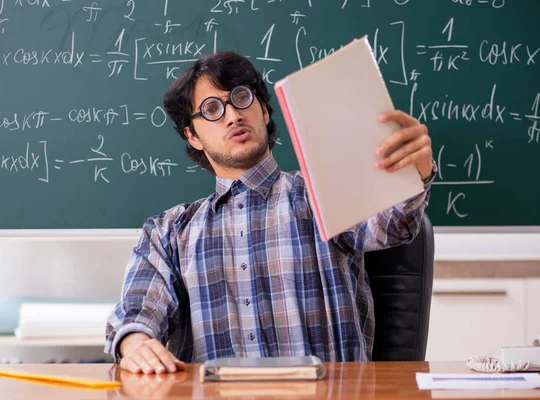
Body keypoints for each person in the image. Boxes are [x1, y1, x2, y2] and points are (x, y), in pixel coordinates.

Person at [105, 51, 436, 375]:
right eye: (211, 109)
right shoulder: (169, 232)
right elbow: (138, 314)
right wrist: (135, 342)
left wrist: (414, 172)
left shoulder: (323, 191)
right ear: (193, 136)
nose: (233, 115)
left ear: (264, 110)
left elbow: (394, 224)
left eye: (241, 97)